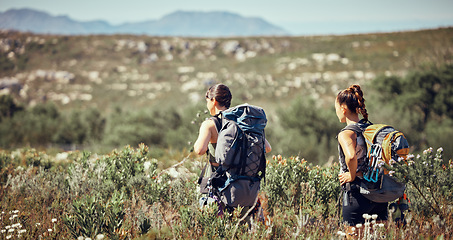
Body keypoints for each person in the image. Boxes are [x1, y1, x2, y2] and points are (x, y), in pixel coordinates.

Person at [194, 83, 271, 218]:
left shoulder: (210, 124)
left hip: (218, 188)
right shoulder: (241, 123)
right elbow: (267, 148)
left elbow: (199, 150)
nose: (207, 105)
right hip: (243, 188)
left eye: (207, 101)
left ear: (213, 101)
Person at [335, 84, 388, 236]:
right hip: (379, 192)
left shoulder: (346, 133)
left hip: (357, 195)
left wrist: (351, 176)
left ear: (343, 108)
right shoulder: (371, 129)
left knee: (353, 236)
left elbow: (351, 156)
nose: (336, 112)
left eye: (336, 108)